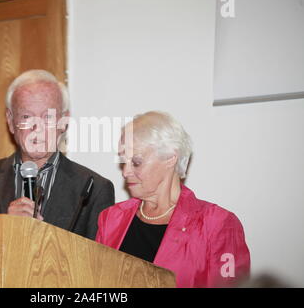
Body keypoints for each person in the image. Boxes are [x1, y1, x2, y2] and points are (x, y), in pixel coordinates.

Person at [95, 111, 250, 287]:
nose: (125, 171)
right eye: (124, 162)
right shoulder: (111, 219)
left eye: (136, 162)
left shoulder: (217, 225)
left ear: (170, 158)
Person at [0, 69, 115, 240]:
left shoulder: (94, 189)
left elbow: (98, 263)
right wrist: (7, 228)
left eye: (47, 117)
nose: (37, 128)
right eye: (26, 116)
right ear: (10, 121)